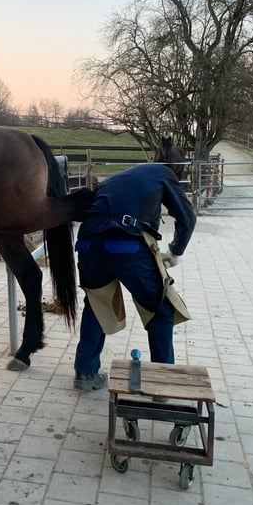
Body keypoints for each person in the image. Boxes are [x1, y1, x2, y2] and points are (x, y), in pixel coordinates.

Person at [72, 162, 196, 391]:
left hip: (88, 246)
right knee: (161, 310)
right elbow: (187, 218)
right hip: (127, 248)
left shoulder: (113, 180)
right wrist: (176, 251)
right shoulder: (164, 174)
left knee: (98, 305)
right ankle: (161, 383)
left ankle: (85, 372)